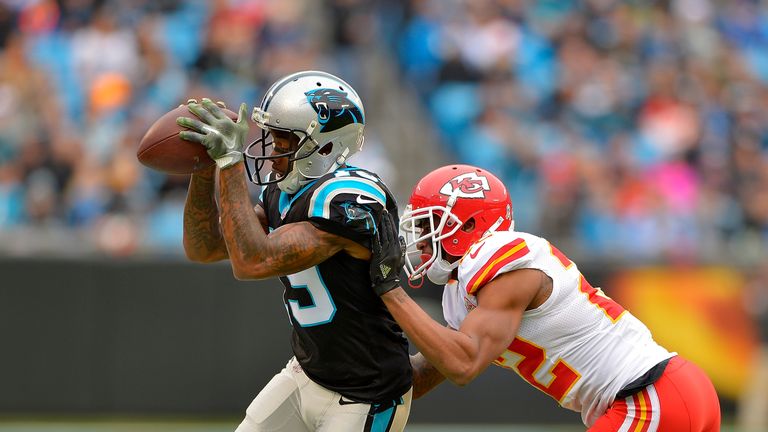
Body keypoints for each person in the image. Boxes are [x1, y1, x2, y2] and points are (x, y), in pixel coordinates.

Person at [368, 164, 721, 431]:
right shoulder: (464, 292)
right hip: (666, 393)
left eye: (430, 226)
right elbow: (432, 369)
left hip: (648, 396)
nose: (422, 239)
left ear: (470, 225)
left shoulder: (501, 256)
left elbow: (463, 364)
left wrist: (389, 291)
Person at [175, 70, 412, 432]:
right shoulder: (283, 192)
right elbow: (204, 248)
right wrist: (204, 169)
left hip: (365, 393)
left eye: (284, 141)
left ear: (328, 145)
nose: (271, 153)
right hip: (306, 374)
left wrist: (230, 163)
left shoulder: (349, 202)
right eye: (272, 138)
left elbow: (253, 261)